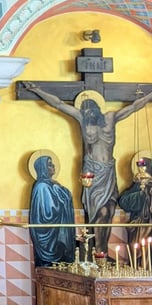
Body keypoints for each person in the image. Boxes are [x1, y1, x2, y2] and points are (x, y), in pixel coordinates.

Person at [23, 82, 152, 255]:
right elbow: (59, 104)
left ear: (99, 108)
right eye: (85, 108)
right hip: (91, 174)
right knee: (98, 213)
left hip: (108, 172)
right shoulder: (83, 119)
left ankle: (102, 252)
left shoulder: (110, 118)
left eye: (91, 108)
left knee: (109, 212)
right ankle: (96, 251)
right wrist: (37, 90)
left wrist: (150, 96)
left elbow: (135, 106)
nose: (88, 111)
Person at [29, 153, 76, 266]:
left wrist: (58, 189)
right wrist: (59, 191)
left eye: (52, 164)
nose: (53, 166)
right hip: (48, 237)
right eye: (49, 165)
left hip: (56, 234)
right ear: (42, 168)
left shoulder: (50, 185)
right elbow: (49, 213)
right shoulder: (42, 187)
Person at [118, 157, 152, 247]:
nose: (142, 174)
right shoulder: (136, 186)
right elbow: (123, 202)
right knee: (137, 249)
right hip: (138, 226)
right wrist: (141, 195)